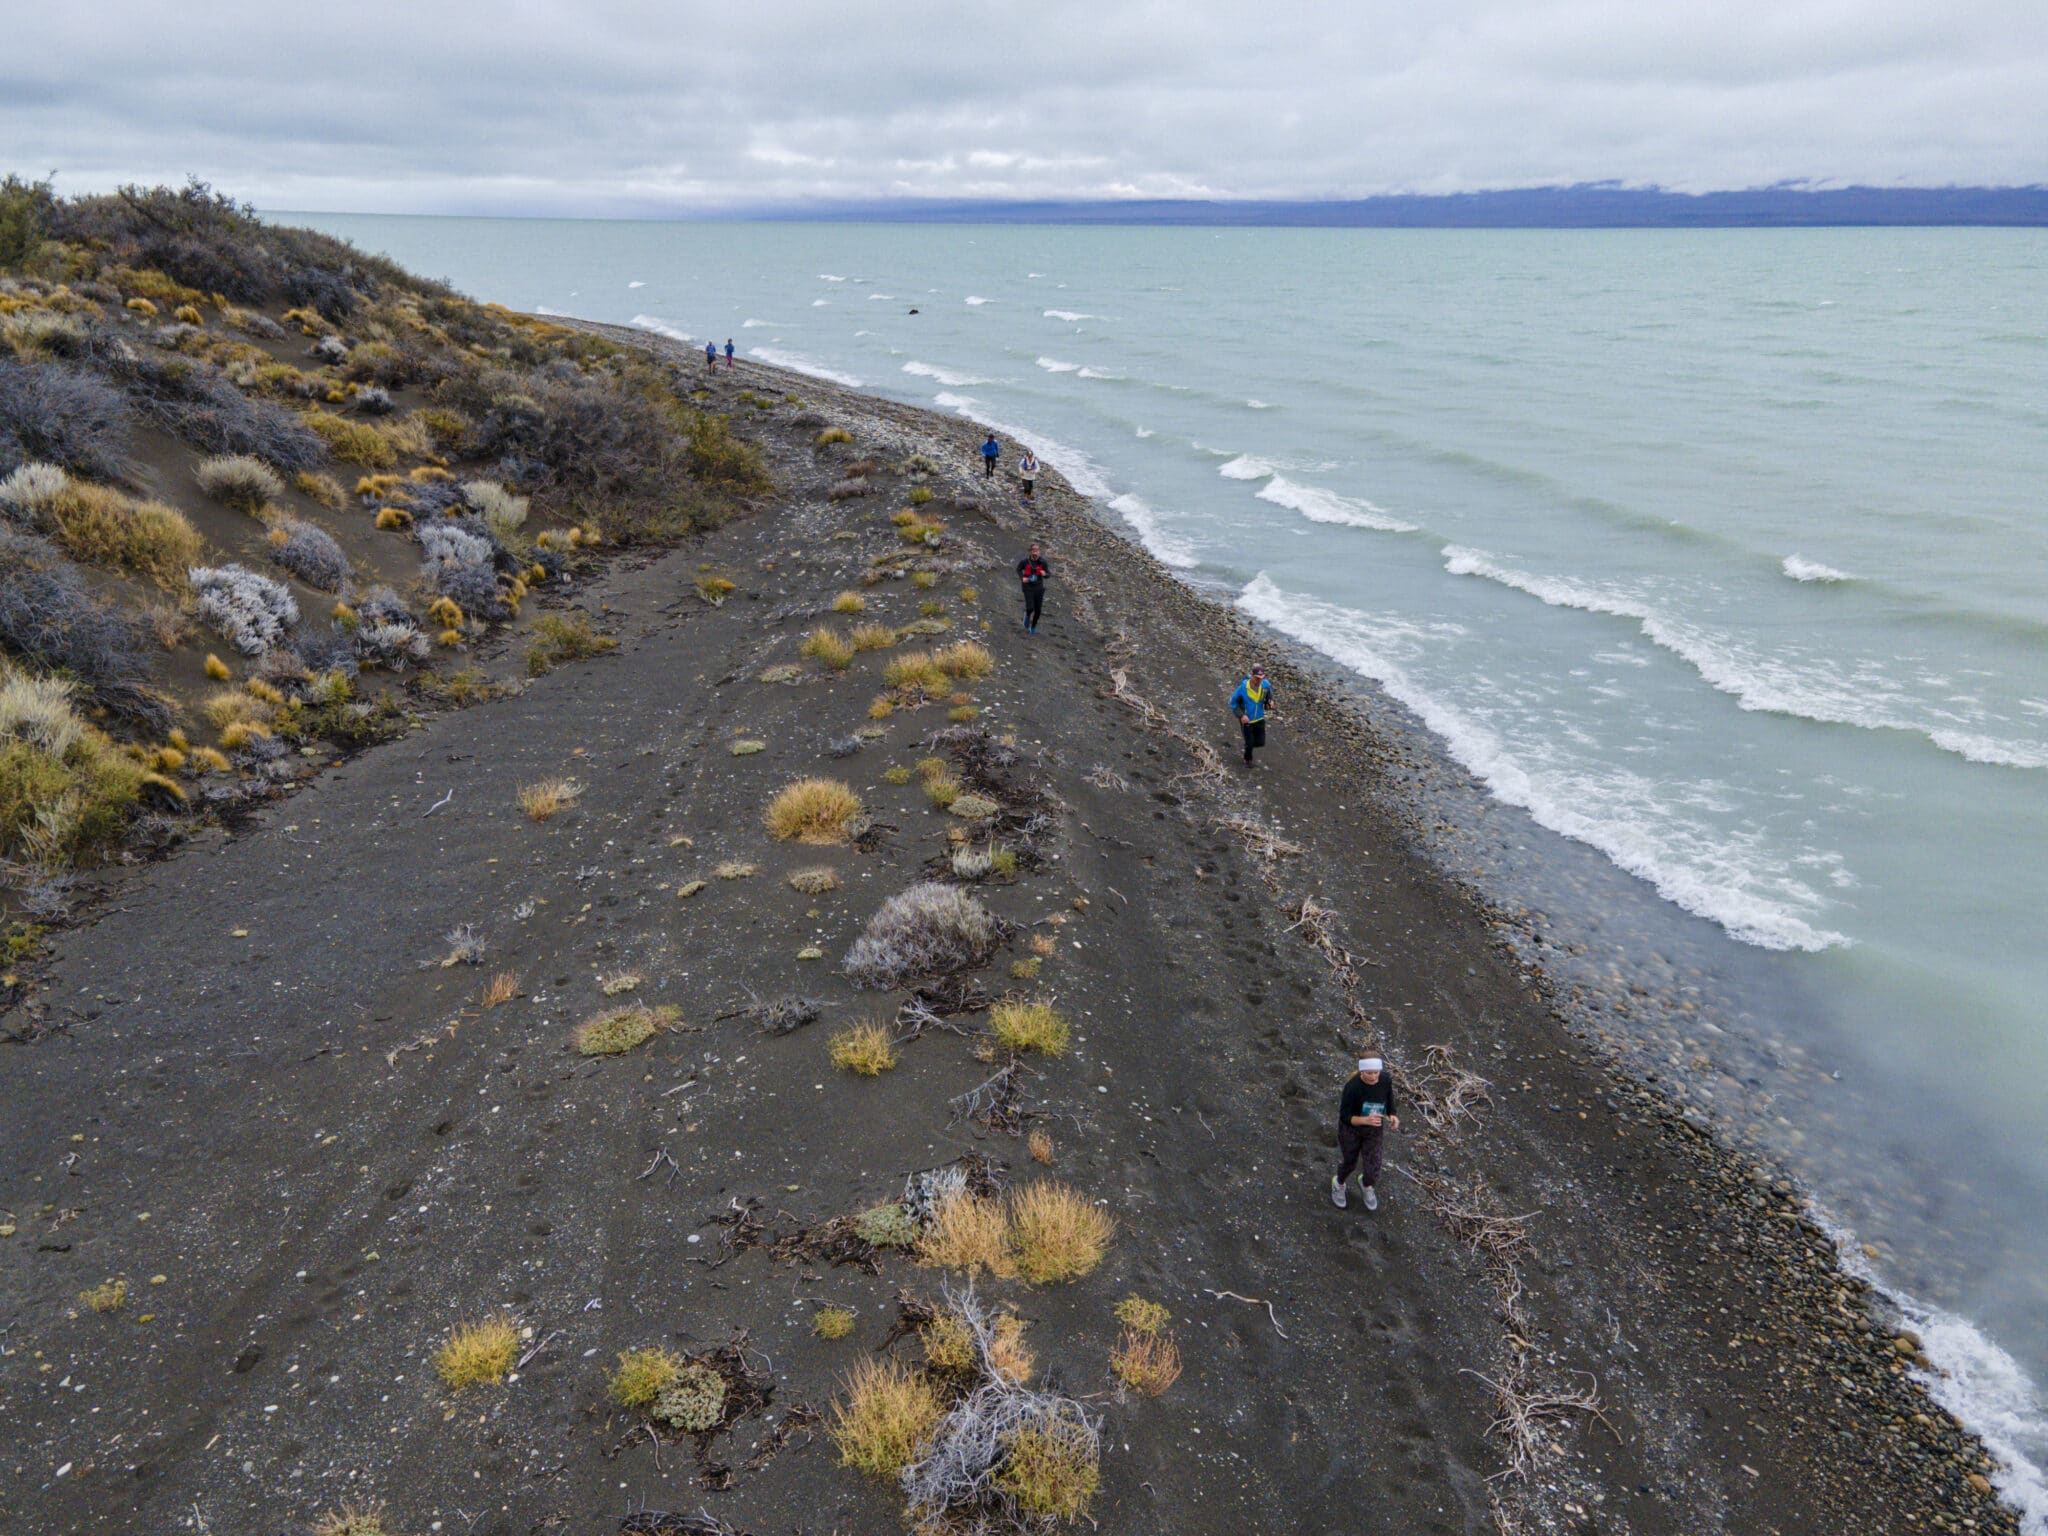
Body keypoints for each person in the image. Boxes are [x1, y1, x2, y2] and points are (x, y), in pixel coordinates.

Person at [1332, 1056, 1399, 1210]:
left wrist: (1392, 1114)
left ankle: (1366, 1184)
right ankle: (1339, 1183)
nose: (1374, 1077)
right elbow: (1345, 1116)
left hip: (1374, 1129)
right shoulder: (1352, 1087)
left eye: (1376, 1073)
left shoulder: (1385, 1079)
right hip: (1351, 1130)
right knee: (1349, 1162)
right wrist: (1365, 1120)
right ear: (1362, 1071)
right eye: (1370, 1073)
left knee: (1374, 1168)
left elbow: (1388, 1098)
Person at [1229, 665, 1273, 767]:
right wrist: (1241, 716)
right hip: (1247, 720)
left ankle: (1248, 745)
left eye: (1261, 678)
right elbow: (1233, 703)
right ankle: (1247, 759)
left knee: (1260, 742)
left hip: (1259, 718)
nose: (1259, 681)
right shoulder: (1243, 688)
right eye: (1257, 678)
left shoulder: (1266, 685)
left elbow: (1269, 697)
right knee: (1249, 742)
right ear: (1252, 676)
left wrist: (1270, 703)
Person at [1017, 542, 1050, 633]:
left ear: (1039, 552)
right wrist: (1022, 578)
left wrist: (1045, 574)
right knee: (1030, 608)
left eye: (1037, 550)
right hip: (1027, 587)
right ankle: (1027, 615)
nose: (1035, 552)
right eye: (1033, 550)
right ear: (1030, 551)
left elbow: (1048, 574)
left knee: (1038, 610)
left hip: (1039, 588)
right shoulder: (1025, 561)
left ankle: (1033, 626)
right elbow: (1018, 569)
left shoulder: (1043, 562)